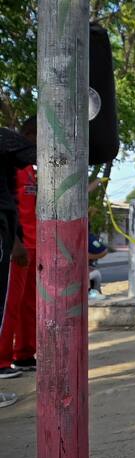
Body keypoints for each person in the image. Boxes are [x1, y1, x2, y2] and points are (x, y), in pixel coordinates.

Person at [0, 121, 37, 407]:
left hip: (32, 243)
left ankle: (24, 354)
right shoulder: (11, 156)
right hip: (15, 243)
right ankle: (3, 359)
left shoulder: (30, 168)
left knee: (27, 305)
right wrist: (15, 242)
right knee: (7, 307)